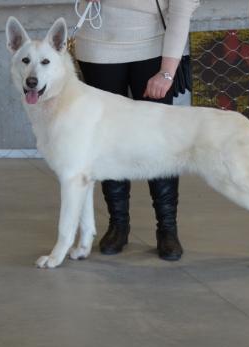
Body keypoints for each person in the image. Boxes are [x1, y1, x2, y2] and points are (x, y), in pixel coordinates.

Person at [74, 0, 199, 261]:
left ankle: (167, 229)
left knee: (160, 140)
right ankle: (118, 224)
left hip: (154, 49)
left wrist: (167, 72)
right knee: (108, 141)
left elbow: (182, 8)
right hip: (97, 48)